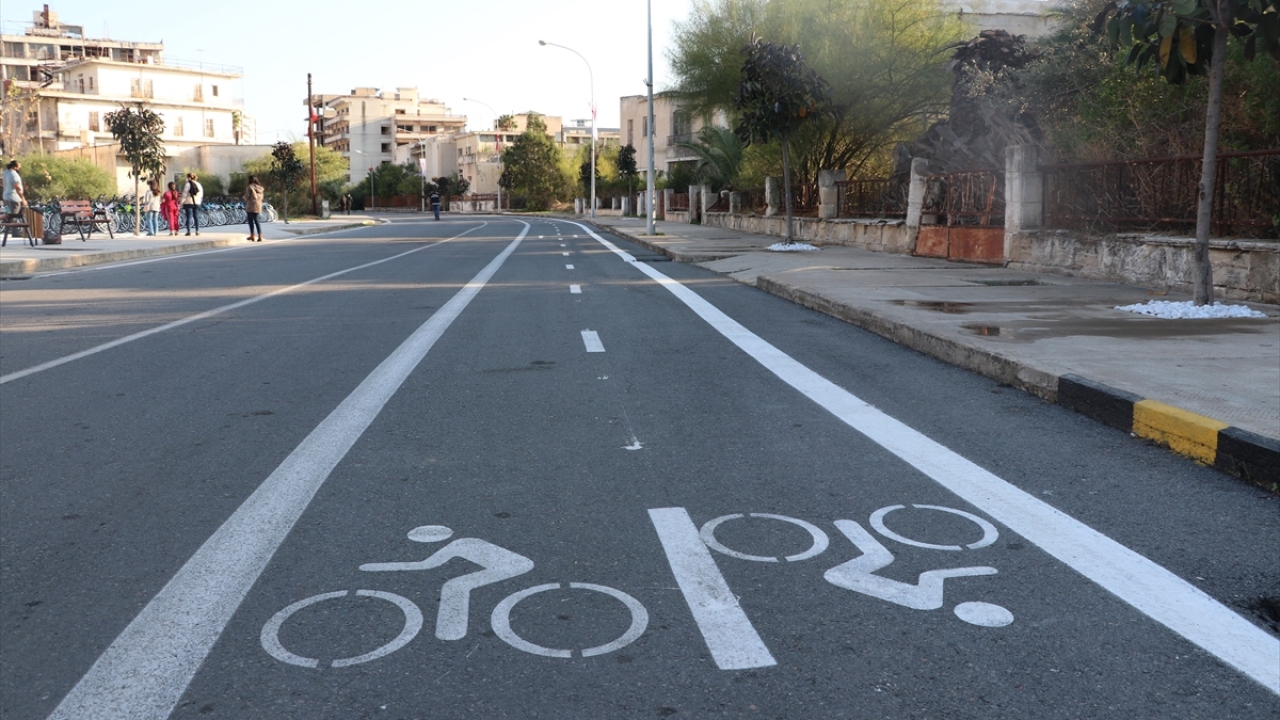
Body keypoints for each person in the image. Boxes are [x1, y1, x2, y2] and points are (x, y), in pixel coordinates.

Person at [243, 175, 265, 242]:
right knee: (257, 221)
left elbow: (247, 196)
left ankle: (252, 235)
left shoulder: (250, 187)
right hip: (258, 205)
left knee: (250, 221)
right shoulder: (260, 188)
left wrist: (244, 198)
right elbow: (261, 197)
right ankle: (260, 236)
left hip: (250, 206)